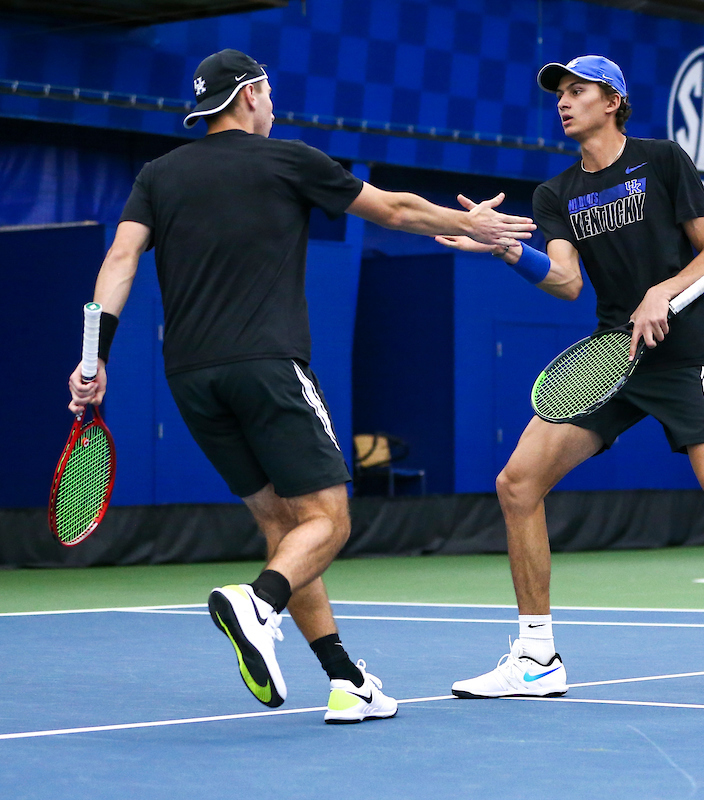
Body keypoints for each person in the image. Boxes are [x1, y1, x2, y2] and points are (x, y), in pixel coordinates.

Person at [66, 49, 536, 723]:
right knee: (328, 520)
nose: (275, 106)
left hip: (193, 380)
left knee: (283, 526)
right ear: (251, 94)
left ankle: (346, 679)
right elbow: (397, 211)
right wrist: (473, 223)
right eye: (271, 94)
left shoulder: (158, 176)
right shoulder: (288, 158)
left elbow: (119, 260)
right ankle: (258, 605)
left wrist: (94, 358)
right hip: (268, 367)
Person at [436, 55, 704, 708]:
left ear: (612, 100)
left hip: (676, 353)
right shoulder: (557, 195)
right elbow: (565, 282)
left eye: (577, 91)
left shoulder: (662, 160)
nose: (563, 101)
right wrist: (507, 249)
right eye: (559, 93)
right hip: (611, 357)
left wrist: (661, 295)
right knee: (518, 483)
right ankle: (535, 657)